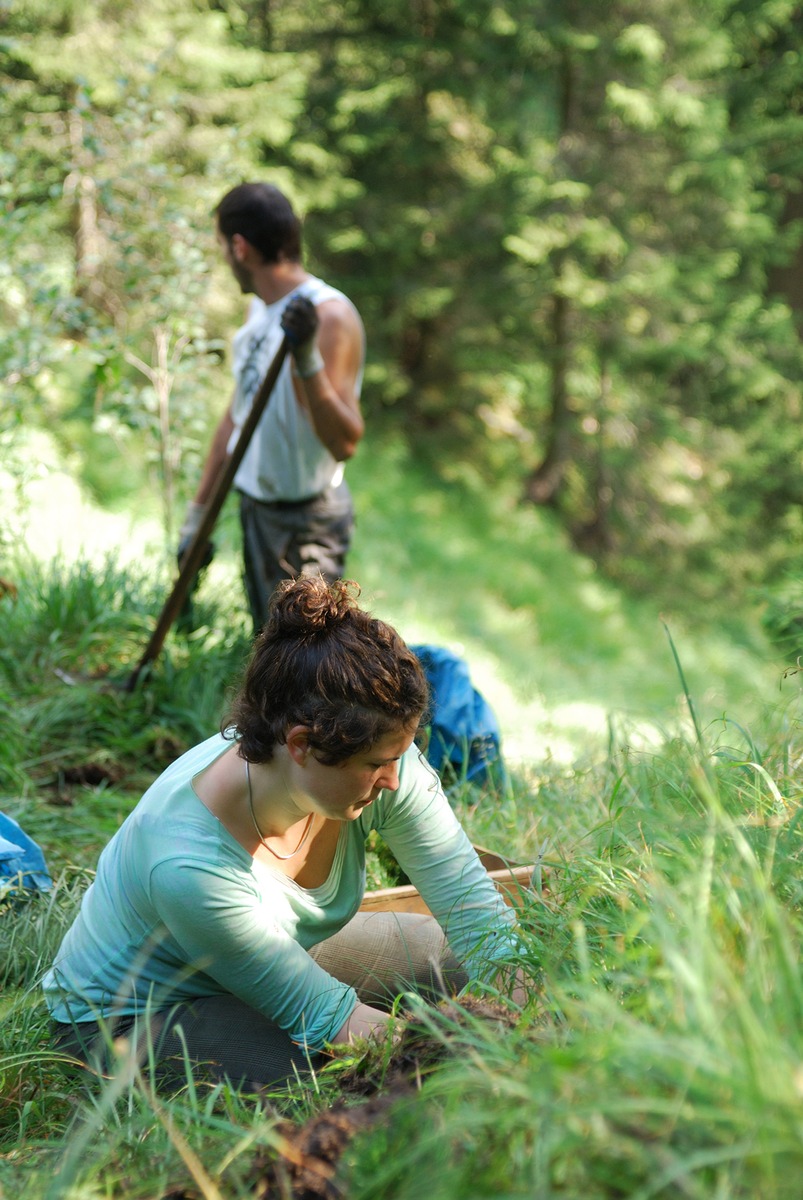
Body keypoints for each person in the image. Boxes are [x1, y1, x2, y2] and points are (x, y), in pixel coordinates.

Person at [43, 577, 528, 1092]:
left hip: (275, 950)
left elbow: (479, 919)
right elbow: (339, 1023)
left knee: (442, 959)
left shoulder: (378, 766)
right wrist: (483, 1063)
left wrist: (533, 1027)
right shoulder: (187, 862)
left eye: (398, 757)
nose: (393, 777)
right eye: (376, 764)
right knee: (345, 1081)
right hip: (134, 1016)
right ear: (301, 744)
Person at [178, 182, 366, 633]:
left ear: (240, 247)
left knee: (302, 662)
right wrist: (197, 516)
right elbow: (237, 414)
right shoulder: (260, 312)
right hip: (257, 510)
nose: (224, 258)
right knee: (265, 646)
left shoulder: (330, 316)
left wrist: (306, 359)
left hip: (306, 525)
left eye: (222, 246)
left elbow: (344, 441)